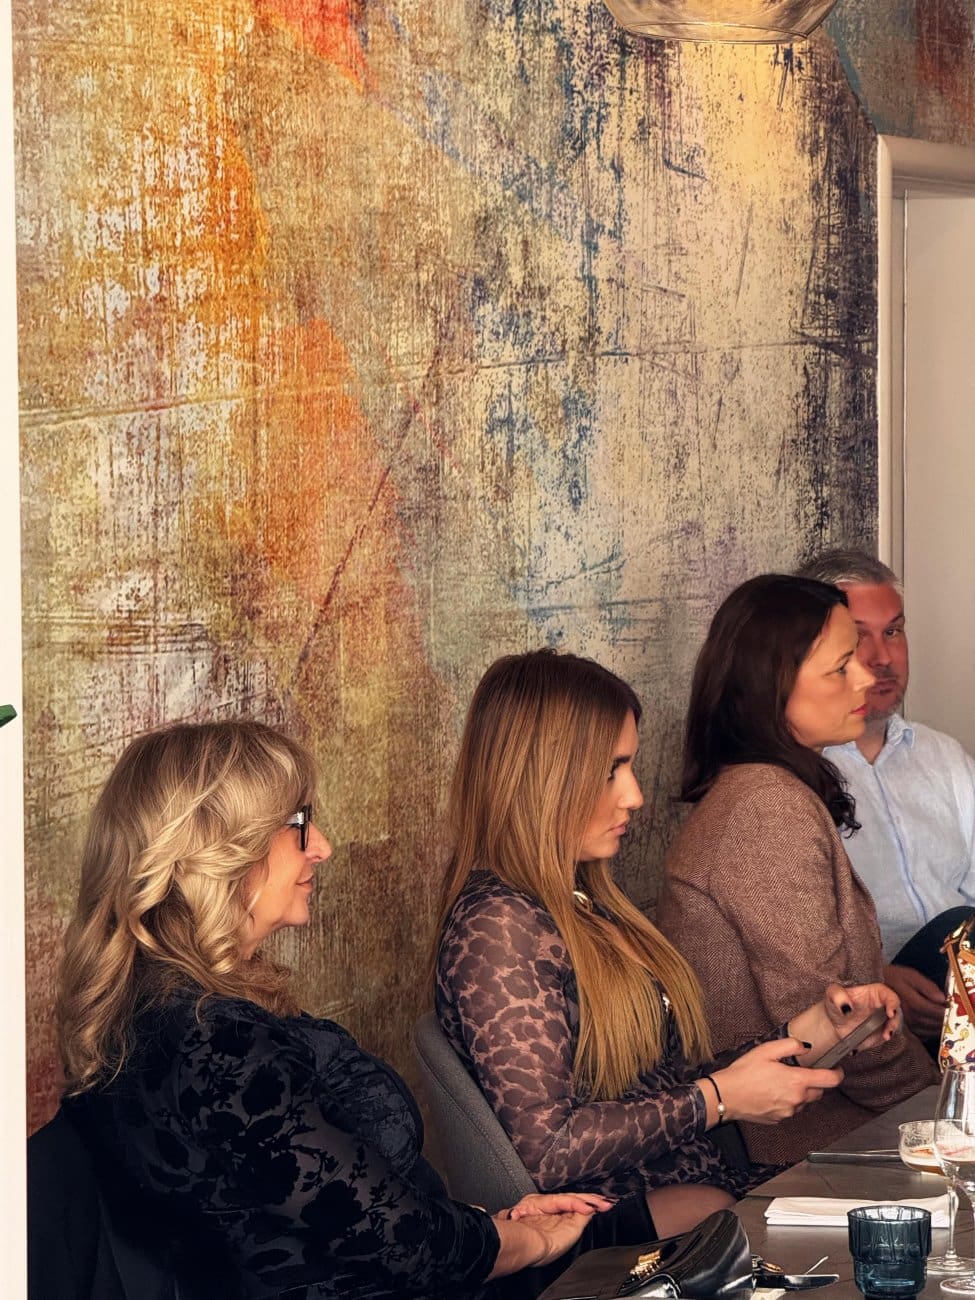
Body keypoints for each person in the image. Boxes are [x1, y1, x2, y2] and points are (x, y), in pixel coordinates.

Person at [55, 720, 628, 1300]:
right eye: (298, 823)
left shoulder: (167, 1014)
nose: (322, 846)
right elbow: (405, 1245)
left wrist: (492, 1227)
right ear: (218, 848)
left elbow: (340, 1219)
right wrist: (535, 1243)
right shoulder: (215, 1043)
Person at [435, 648, 900, 1239]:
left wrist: (813, 1034)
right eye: (611, 770)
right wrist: (719, 1099)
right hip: (617, 1232)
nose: (634, 795)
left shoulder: (585, 901)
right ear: (542, 777)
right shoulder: (498, 924)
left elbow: (658, 1090)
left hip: (698, 1195)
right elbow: (548, 1149)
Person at [657, 574, 937, 1168]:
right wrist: (938, 1105)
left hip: (831, 1129)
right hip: (802, 1149)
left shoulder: (766, 791)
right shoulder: (764, 806)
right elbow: (839, 1022)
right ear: (772, 687)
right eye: (840, 667)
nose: (865, 677)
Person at [797, 548, 975, 1042]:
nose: (882, 658)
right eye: (858, 638)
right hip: (871, 1017)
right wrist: (874, 975)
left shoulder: (943, 757)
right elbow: (786, 945)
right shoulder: (794, 777)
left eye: (893, 631)